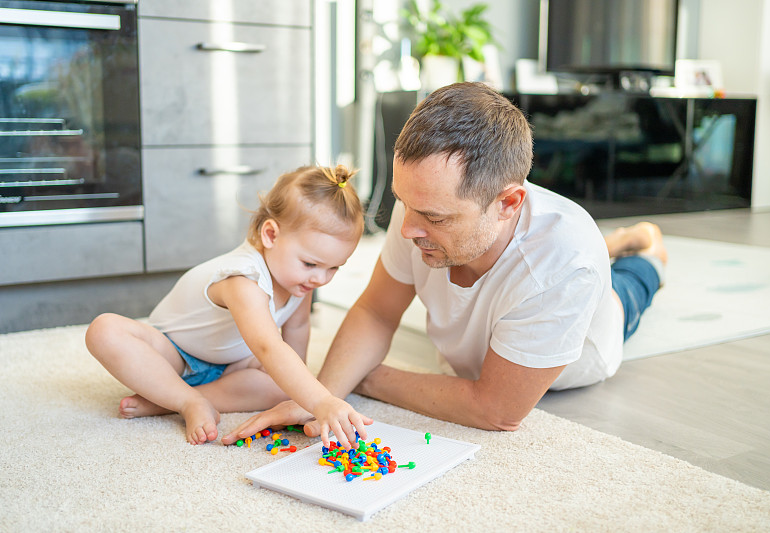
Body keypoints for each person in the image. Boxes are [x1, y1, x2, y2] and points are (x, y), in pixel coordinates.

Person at [221, 82, 666, 444]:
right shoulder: (419, 205)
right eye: (404, 204)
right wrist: (321, 395)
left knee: (636, 277)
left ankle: (644, 246)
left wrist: (364, 379)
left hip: (595, 329)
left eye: (434, 217)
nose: (407, 228)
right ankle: (622, 244)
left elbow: (495, 410)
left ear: (507, 203)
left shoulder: (567, 262)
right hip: (512, 301)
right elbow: (377, 311)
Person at [86, 165, 372, 446]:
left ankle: (162, 401)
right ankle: (187, 400)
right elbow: (268, 347)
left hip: (231, 364)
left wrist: (303, 394)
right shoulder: (243, 279)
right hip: (173, 356)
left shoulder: (300, 281)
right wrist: (322, 400)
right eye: (310, 263)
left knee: (282, 388)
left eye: (334, 267)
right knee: (105, 330)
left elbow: (297, 330)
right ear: (270, 235)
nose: (320, 278)